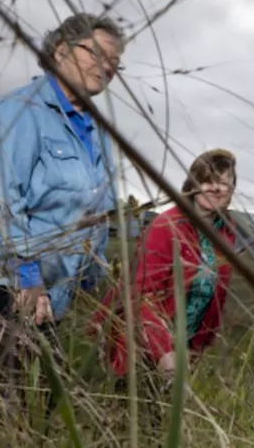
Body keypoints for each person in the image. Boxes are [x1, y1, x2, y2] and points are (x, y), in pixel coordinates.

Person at [0, 12, 125, 389]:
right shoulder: (19, 113)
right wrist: (27, 275)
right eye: (96, 54)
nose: (106, 67)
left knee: (36, 403)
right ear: (60, 50)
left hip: (48, 290)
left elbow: (96, 210)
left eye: (115, 64)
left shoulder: (95, 131)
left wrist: (90, 274)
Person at [92, 149, 240, 384]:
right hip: (140, 345)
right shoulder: (166, 225)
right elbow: (141, 296)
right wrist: (163, 353)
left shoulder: (226, 231)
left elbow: (216, 296)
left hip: (183, 347)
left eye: (224, 183)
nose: (216, 188)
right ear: (193, 183)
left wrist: (198, 347)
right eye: (208, 180)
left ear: (232, 189)